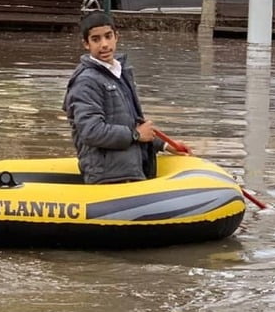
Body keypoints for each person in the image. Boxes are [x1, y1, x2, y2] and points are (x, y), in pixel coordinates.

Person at [63, 11, 190, 184]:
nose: (104, 45)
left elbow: (134, 123)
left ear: (117, 37)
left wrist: (165, 145)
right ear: (86, 44)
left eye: (108, 36)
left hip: (129, 171)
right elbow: (91, 132)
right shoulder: (86, 82)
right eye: (96, 39)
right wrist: (135, 135)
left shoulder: (121, 73)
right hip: (108, 177)